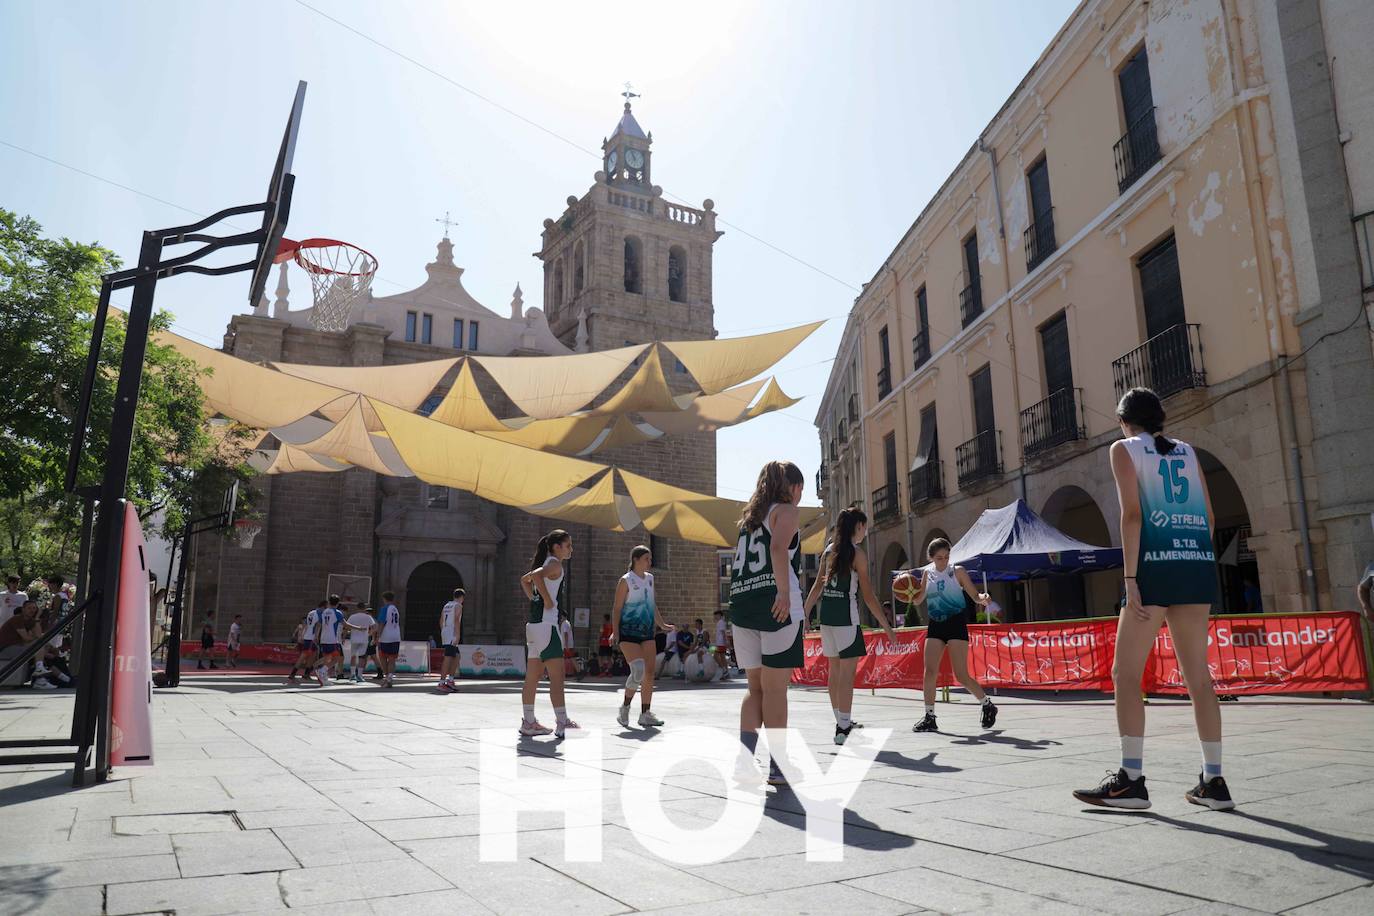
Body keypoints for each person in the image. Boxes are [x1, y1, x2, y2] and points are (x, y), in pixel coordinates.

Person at [1073, 387, 1234, 811]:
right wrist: (1192, 554)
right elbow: (1211, 517)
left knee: (1125, 673)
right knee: (1198, 676)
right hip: (1195, 563)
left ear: (1125, 421)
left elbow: (1132, 514)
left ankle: (1131, 780)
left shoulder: (1123, 449)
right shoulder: (1187, 451)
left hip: (1153, 566)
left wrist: (1130, 579)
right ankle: (1214, 781)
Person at [729, 460, 807, 787]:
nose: (801, 494)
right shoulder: (785, 511)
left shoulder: (749, 519)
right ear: (789, 486)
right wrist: (785, 593)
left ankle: (745, 765)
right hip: (775, 606)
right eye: (799, 486)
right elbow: (777, 548)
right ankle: (778, 766)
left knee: (755, 691)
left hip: (743, 606)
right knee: (777, 690)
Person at [803, 507, 898, 745]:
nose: (865, 531)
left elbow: (816, 588)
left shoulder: (827, 551)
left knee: (834, 674)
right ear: (857, 527)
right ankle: (843, 727)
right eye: (864, 526)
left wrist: (805, 613)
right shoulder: (857, 554)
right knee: (846, 676)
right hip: (846, 619)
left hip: (827, 619)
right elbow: (868, 596)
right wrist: (887, 627)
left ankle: (841, 720)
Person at [909, 538, 997, 733]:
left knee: (961, 675)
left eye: (946, 557)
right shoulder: (927, 574)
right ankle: (929, 716)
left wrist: (983, 598)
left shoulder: (957, 571)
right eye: (939, 558)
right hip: (935, 624)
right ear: (931, 558)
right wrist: (906, 591)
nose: (943, 561)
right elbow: (917, 601)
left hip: (956, 623)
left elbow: (975, 595)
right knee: (929, 671)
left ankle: (987, 704)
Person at [519, 529, 578, 738]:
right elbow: (533, 576)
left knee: (532, 677)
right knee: (557, 678)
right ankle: (562, 722)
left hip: (534, 626)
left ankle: (528, 722)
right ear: (556, 547)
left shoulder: (547, 564)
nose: (571, 549)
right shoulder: (554, 564)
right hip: (547, 626)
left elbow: (525, 580)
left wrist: (536, 599)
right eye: (568, 545)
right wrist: (547, 600)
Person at [612, 545, 674, 729]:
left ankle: (645, 714)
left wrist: (662, 625)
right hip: (628, 632)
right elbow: (617, 608)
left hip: (647, 632)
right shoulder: (626, 580)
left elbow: (651, 604)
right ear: (636, 559)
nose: (650, 561)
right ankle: (625, 707)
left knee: (649, 673)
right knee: (638, 670)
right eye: (647, 558)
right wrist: (615, 632)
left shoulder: (650, 579)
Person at [286, 602, 323, 684]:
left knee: (313, 655)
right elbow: (318, 625)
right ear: (323, 607)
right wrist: (316, 637)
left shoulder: (311, 612)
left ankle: (306, 673)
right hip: (311, 638)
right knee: (303, 656)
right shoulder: (319, 613)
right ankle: (292, 675)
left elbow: (305, 624)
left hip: (307, 636)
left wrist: (302, 635)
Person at [313, 596, 345, 687]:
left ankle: (324, 678)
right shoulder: (337, 612)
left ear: (329, 602)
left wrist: (316, 636)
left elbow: (318, 625)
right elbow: (345, 624)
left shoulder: (324, 612)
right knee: (337, 658)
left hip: (323, 638)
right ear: (338, 603)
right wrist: (358, 628)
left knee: (327, 658)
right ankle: (322, 671)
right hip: (332, 639)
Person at [438, 588, 464, 693]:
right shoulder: (458, 605)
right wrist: (457, 635)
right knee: (448, 657)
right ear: (462, 597)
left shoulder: (447, 605)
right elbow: (456, 620)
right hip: (452, 633)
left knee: (457, 656)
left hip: (446, 632)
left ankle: (450, 680)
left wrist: (444, 631)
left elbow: (441, 620)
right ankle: (441, 682)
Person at [375, 592, 402, 688]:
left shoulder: (385, 608)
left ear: (384, 599)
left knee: (382, 657)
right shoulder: (395, 609)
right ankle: (390, 677)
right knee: (392, 659)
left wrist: (377, 637)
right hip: (396, 636)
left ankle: (387, 676)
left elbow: (381, 623)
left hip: (386, 637)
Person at [344, 604, 375, 683]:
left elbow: (347, 626)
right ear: (364, 608)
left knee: (353, 656)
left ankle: (352, 674)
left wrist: (344, 636)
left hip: (354, 638)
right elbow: (374, 627)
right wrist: (370, 635)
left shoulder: (352, 616)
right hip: (364, 639)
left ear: (357, 608)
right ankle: (360, 675)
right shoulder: (368, 617)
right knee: (362, 657)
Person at [711, 609, 732, 677]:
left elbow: (723, 633)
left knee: (715, 656)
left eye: (716, 615)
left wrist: (726, 641)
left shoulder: (721, 622)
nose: (715, 617)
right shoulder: (720, 622)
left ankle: (725, 670)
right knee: (722, 657)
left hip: (720, 643)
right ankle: (725, 672)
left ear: (719, 615)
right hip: (719, 643)